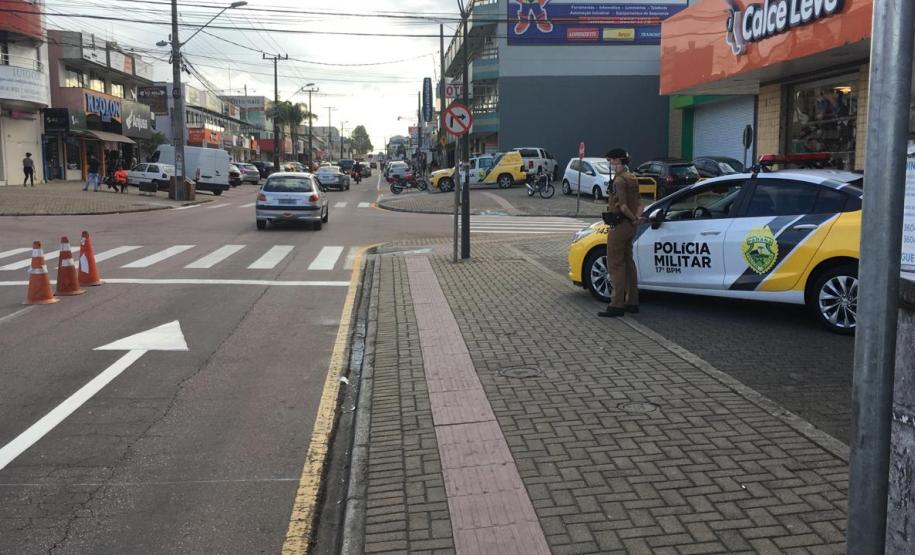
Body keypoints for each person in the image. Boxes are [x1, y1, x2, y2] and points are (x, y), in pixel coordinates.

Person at [598, 148, 641, 318]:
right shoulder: (633, 178)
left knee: (615, 264)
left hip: (620, 224)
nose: (610, 164)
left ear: (618, 161)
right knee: (629, 262)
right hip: (630, 227)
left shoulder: (619, 181)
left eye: (611, 161)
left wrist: (631, 218)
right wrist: (636, 219)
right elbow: (639, 203)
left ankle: (617, 304)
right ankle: (632, 302)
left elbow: (622, 206)